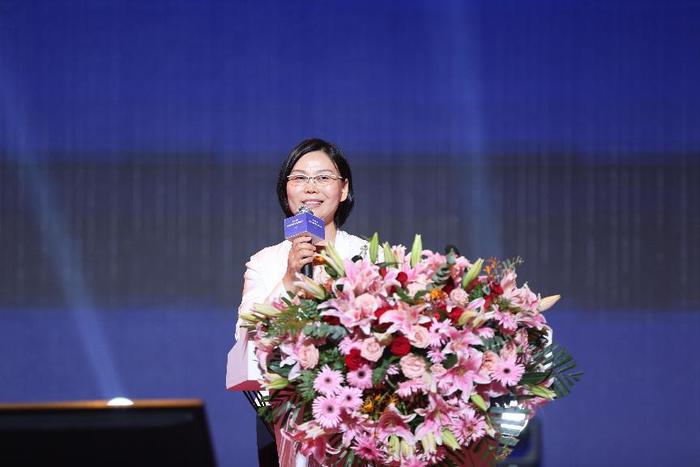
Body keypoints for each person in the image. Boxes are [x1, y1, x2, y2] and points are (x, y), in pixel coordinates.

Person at [226, 138, 368, 467]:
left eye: (323, 177)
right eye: (300, 178)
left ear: (344, 189)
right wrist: (290, 278)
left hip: (361, 417)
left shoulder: (367, 255)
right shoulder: (265, 262)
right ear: (286, 190)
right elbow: (246, 337)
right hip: (283, 417)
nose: (311, 187)